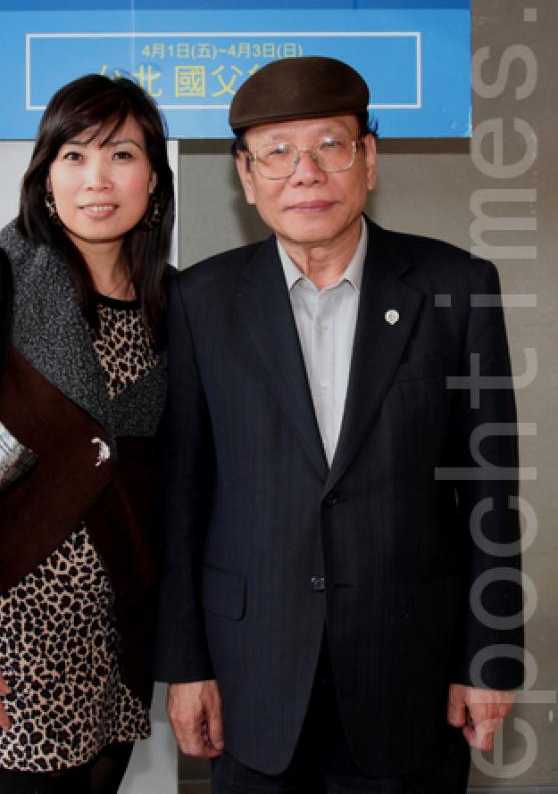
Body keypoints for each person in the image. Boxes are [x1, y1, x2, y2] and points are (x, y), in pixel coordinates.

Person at [155, 56, 523, 793]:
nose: (305, 172)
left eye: (330, 145)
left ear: (369, 159)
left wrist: (489, 659)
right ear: (245, 175)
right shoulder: (200, 302)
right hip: (251, 670)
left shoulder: (456, 288)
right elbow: (182, 500)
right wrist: (186, 664)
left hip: (408, 670)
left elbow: (490, 494)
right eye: (278, 152)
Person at [0, 74, 174, 793]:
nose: (97, 179)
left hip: (123, 623)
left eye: (121, 154)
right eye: (74, 155)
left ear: (152, 179)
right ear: (45, 176)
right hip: (10, 630)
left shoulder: (172, 300)